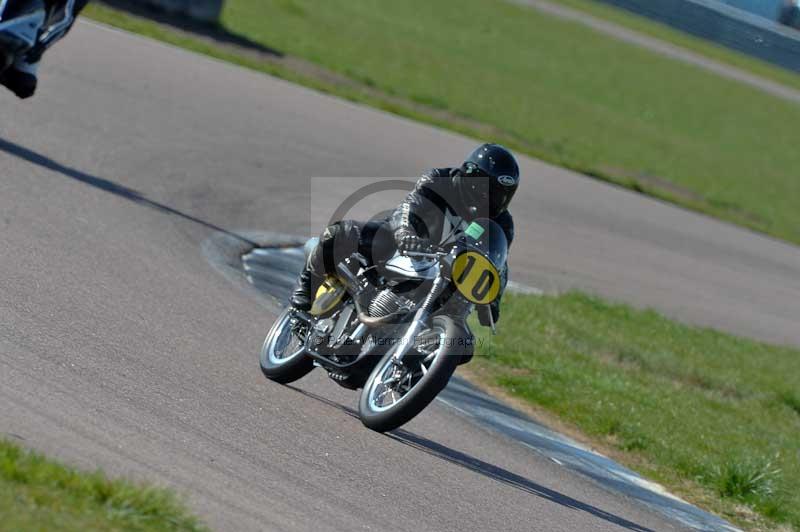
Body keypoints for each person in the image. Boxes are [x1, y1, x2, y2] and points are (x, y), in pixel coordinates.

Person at [290, 143, 519, 322]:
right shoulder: (440, 180)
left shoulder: (502, 223)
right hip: (402, 243)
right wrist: (406, 234)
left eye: (502, 193)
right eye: (488, 190)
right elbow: (407, 209)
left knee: (461, 338)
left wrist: (493, 300)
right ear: (471, 178)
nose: (493, 199)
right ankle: (303, 296)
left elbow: (498, 263)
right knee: (337, 234)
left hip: (445, 271)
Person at [1, 0, 90, 99]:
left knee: (25, 85)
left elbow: (66, 16)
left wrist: (40, 45)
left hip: (27, 29)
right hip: (8, 14)